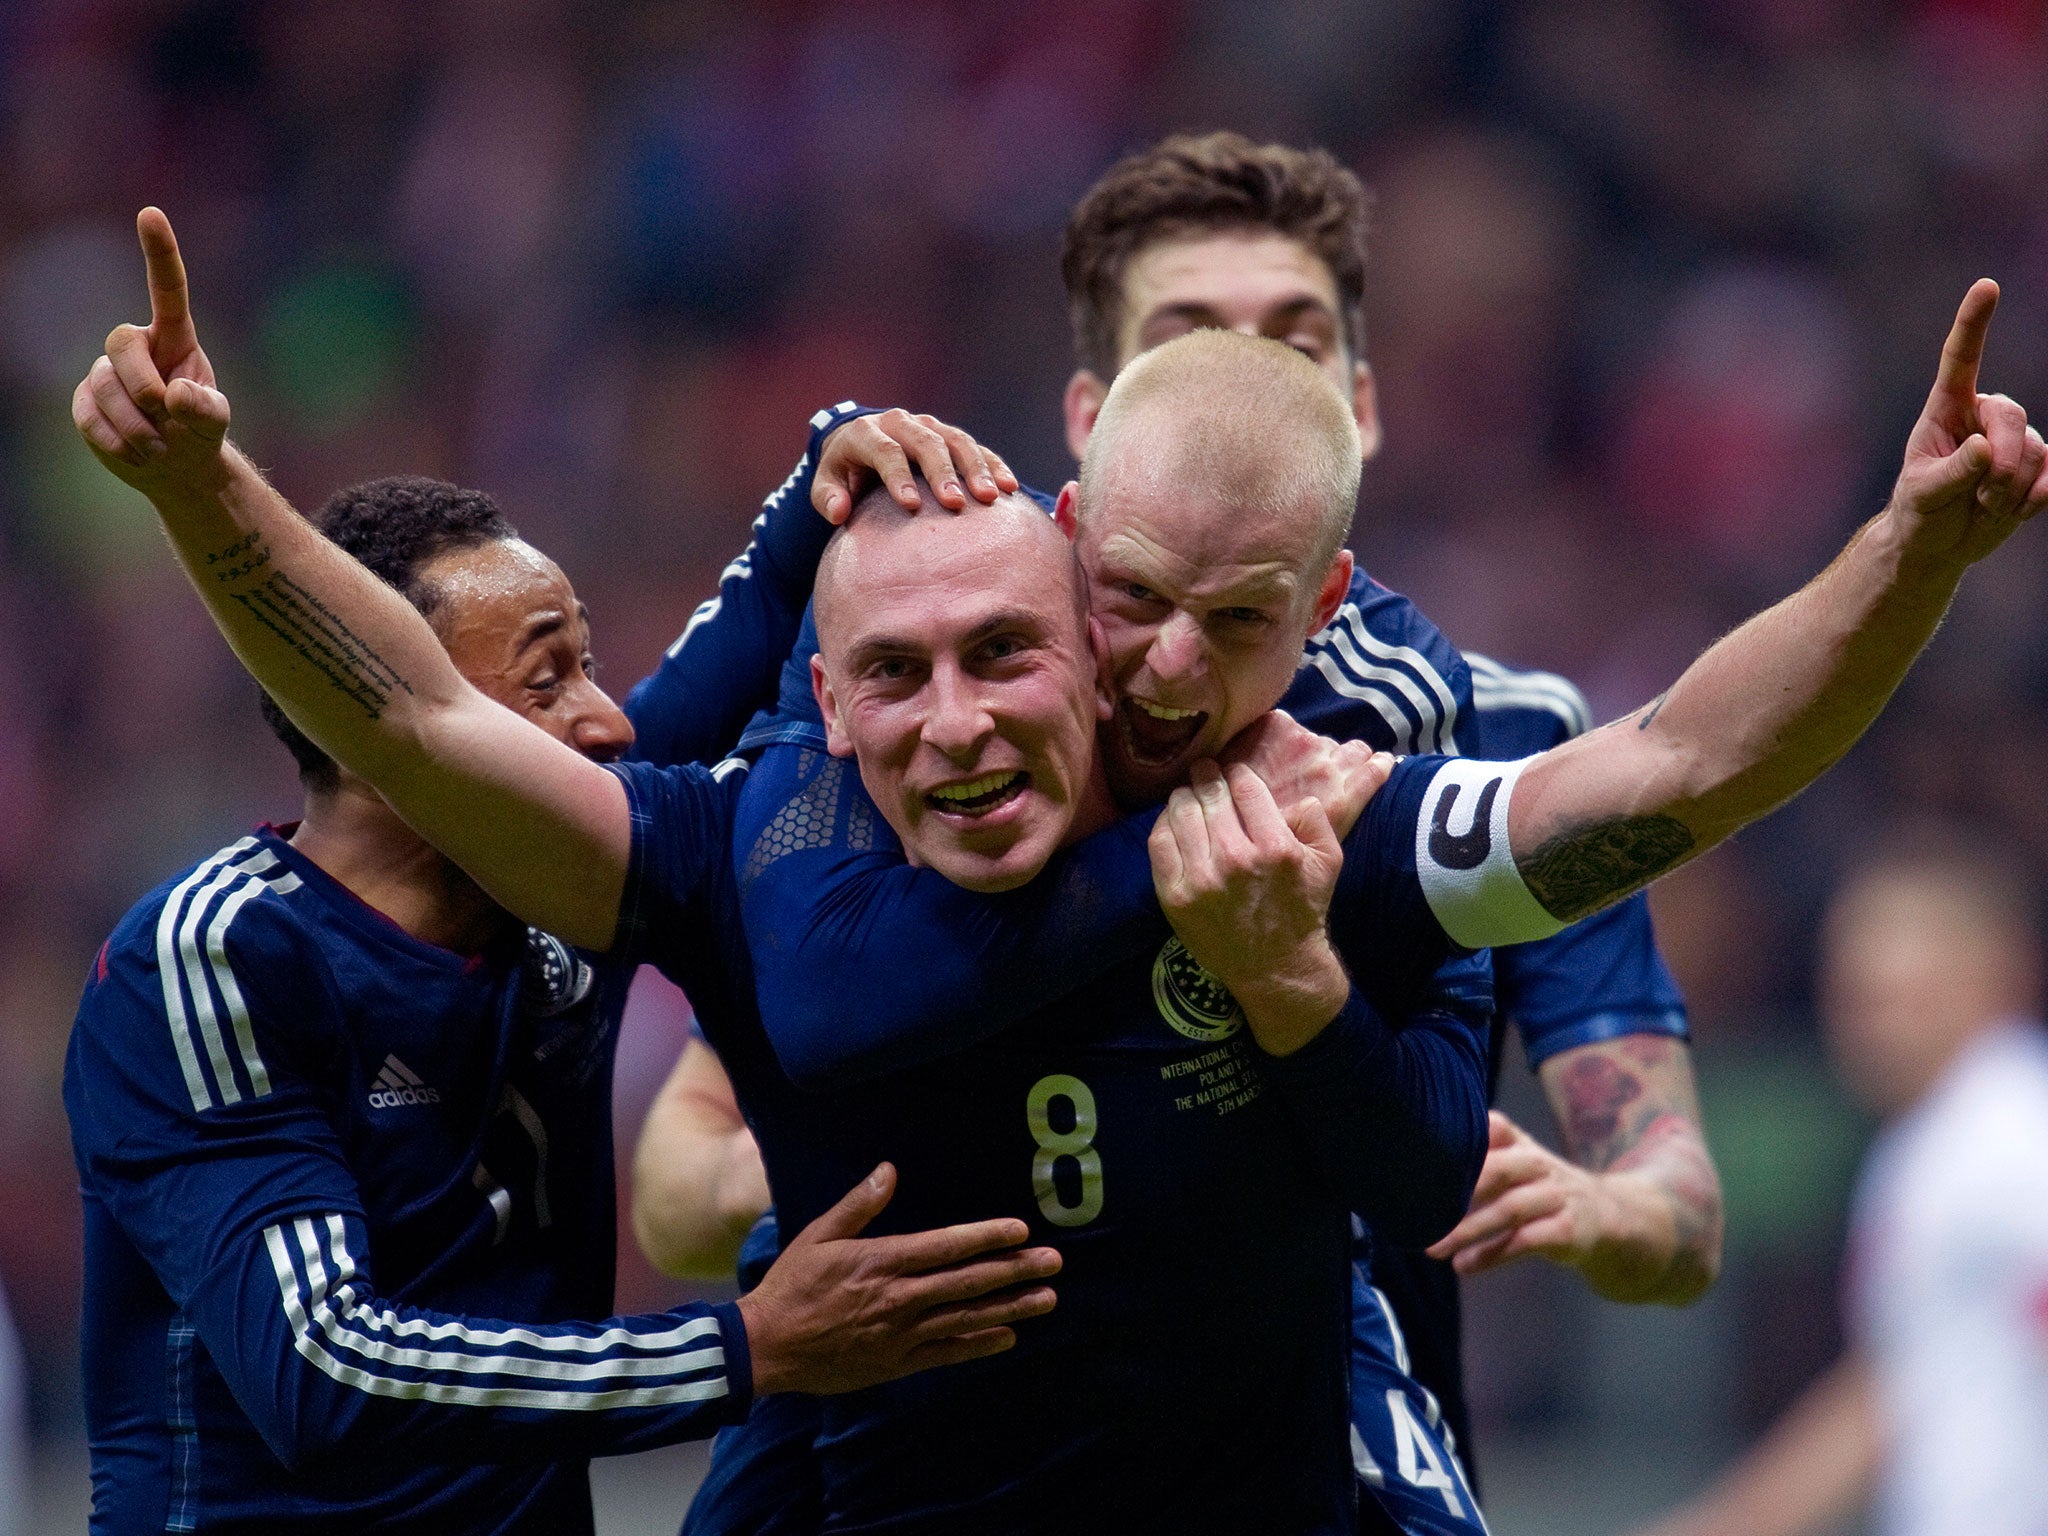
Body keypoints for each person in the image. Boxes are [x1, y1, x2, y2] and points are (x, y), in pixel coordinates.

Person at [75, 207, 2045, 1529]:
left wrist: (1916, 554)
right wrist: (196, 484)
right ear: (824, 707)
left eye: (1009, 654)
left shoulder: (1302, 818)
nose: (956, 720)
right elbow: (418, 728)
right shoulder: (725, 847)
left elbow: (1682, 763)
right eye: (897, 679)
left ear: (1094, 648)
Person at [632, 135, 1712, 1528]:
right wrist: (909, 1159)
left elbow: (1682, 1223)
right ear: (1095, 420)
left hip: (1331, 1436)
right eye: (1192, 333)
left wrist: (1598, 1207)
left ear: (1359, 412)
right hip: (940, 1455)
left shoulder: (1491, 733)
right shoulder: (977, 730)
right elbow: (680, 1178)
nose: (1249, 373)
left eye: (1299, 341)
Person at [61, 462, 1064, 1532]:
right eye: (548, 683)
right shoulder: (217, 952)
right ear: (381, 726)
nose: (610, 723)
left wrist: (851, 448)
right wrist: (745, 1347)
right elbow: (325, 1375)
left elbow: (760, 607)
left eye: (588, 664)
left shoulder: (566, 898)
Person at [1628, 836, 2048, 1536]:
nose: (1874, 1030)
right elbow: (1891, 1393)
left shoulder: (2007, 1129)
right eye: (1857, 998)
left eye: (1908, 999)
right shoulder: (1931, 1142)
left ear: (1997, 979)